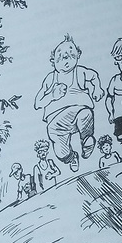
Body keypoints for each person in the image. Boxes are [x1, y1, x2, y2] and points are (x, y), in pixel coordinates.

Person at [34, 35, 104, 172]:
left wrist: (98, 88)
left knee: (85, 115)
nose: (65, 59)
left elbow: (94, 76)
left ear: (78, 55)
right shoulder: (50, 78)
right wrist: (52, 95)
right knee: (61, 152)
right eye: (60, 57)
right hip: (56, 122)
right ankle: (71, 157)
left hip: (79, 110)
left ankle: (86, 140)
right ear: (53, 61)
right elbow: (38, 103)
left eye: (70, 55)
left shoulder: (80, 72)